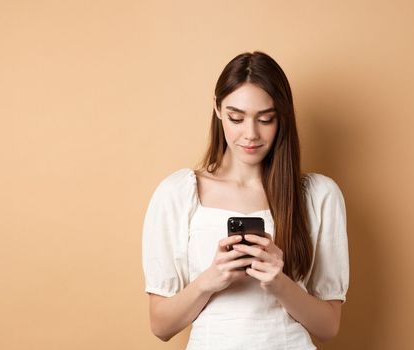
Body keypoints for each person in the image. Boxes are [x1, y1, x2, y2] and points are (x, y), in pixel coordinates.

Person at [141, 51, 349, 349]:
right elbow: (161, 325)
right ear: (217, 109)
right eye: (236, 118)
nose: (250, 134)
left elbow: (328, 326)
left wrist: (279, 283)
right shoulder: (177, 193)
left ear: (282, 118)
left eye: (265, 119)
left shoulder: (318, 195)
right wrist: (210, 280)